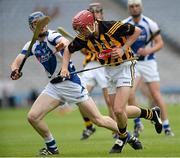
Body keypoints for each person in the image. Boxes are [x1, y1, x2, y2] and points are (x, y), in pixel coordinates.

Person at [10, 11, 141, 156]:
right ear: (31, 28)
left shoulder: (52, 36)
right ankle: (52, 148)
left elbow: (65, 43)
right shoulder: (31, 45)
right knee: (33, 117)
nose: (41, 27)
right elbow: (18, 60)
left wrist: (62, 45)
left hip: (71, 84)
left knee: (98, 120)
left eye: (43, 23)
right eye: (36, 24)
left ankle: (126, 135)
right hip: (53, 86)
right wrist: (15, 70)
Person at [60, 9, 163, 153]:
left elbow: (137, 31)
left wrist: (123, 48)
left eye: (82, 29)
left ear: (91, 24)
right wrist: (64, 68)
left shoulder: (111, 27)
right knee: (119, 112)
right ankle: (151, 114)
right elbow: (68, 50)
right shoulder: (84, 38)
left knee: (118, 110)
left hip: (125, 66)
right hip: (108, 70)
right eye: (79, 30)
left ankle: (121, 139)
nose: (81, 33)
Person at [123, 0, 174, 137]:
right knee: (131, 93)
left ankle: (166, 125)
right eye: (132, 6)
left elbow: (160, 43)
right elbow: (121, 43)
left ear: (141, 7)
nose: (134, 8)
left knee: (156, 95)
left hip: (148, 62)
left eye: (137, 6)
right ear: (129, 9)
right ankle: (138, 123)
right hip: (133, 63)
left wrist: (148, 50)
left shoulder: (150, 23)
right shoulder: (125, 24)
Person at [78, 2, 116, 140]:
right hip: (90, 66)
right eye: (91, 11)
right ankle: (89, 126)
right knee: (80, 95)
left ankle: (116, 130)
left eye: (97, 11)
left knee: (109, 100)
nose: (95, 13)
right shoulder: (86, 29)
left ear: (102, 13)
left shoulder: (106, 27)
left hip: (104, 66)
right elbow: (83, 50)